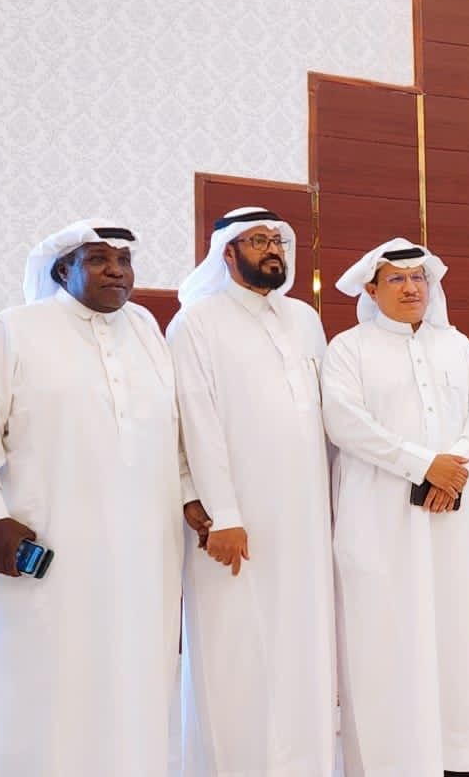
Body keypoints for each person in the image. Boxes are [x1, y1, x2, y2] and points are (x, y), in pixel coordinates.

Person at [0, 219, 190, 777]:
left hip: (146, 547)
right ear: (62, 269)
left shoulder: (146, 328)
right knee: (51, 674)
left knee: (139, 668)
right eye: (97, 259)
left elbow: (174, 428)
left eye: (124, 260)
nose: (116, 271)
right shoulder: (13, 330)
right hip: (50, 539)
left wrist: (192, 498)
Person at [167, 207, 337, 775]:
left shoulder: (304, 319)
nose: (272, 250)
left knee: (302, 644)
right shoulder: (196, 322)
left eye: (278, 241)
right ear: (227, 253)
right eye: (258, 240)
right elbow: (198, 423)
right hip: (236, 518)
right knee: (235, 648)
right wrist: (224, 513)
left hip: (306, 515)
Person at [320, 239, 469, 776]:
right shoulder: (348, 349)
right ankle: (394, 761)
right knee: (387, 634)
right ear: (371, 289)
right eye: (396, 279)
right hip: (380, 518)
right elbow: (346, 423)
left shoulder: (458, 346)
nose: (410, 287)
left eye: (418, 277)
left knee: (458, 631)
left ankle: (459, 757)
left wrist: (455, 467)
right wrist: (424, 465)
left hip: (453, 515)